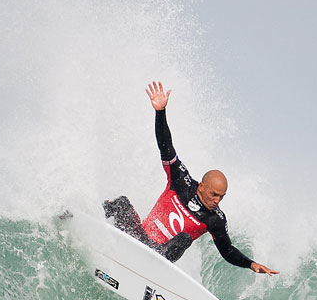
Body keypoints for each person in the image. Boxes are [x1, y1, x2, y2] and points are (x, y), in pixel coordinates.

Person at [103, 81, 279, 275]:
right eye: (214, 194)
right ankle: (78, 214)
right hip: (138, 238)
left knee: (185, 238)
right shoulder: (180, 180)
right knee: (121, 203)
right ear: (202, 186)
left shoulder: (215, 219)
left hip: (159, 255)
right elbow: (166, 146)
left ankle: (150, 266)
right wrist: (160, 112)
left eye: (221, 197)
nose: (217, 200)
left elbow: (227, 250)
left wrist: (251, 264)